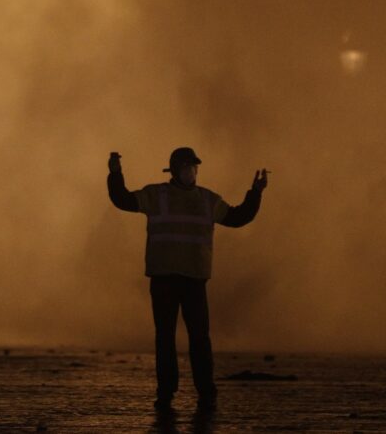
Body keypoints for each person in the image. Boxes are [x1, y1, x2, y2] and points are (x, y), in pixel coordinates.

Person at [107, 147, 268, 413]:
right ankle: (166, 392)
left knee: (200, 338)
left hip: (194, 280)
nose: (191, 172)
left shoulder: (207, 200)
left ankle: (205, 391)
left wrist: (256, 192)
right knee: (165, 338)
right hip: (164, 279)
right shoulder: (156, 195)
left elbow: (239, 217)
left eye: (194, 168)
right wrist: (115, 173)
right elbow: (122, 199)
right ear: (174, 169)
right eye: (186, 168)